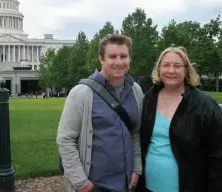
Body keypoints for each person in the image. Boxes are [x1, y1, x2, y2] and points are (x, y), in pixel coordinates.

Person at [57, 34, 144, 192]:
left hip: (127, 183)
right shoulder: (81, 93)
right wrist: (81, 183)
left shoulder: (136, 91)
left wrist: (137, 169)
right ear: (101, 59)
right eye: (112, 56)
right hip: (95, 185)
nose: (118, 62)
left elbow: (135, 133)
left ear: (129, 58)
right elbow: (65, 140)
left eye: (123, 56)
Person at [137, 46, 222, 192]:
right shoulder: (148, 99)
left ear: (186, 70)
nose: (171, 71)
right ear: (159, 69)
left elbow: (217, 156)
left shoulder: (205, 105)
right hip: (148, 186)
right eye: (166, 65)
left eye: (177, 66)